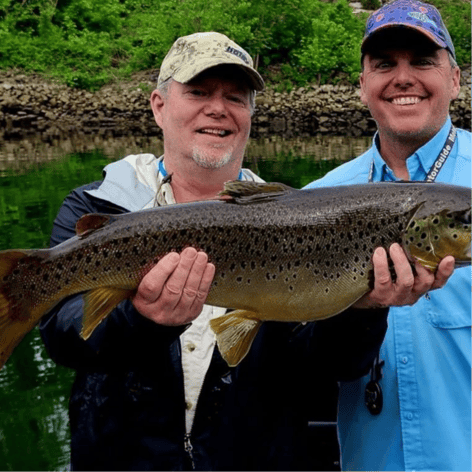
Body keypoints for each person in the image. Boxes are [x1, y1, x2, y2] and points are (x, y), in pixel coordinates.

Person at [40, 32, 453, 472]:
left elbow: (326, 367)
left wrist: (365, 308)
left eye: (236, 97)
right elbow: (65, 339)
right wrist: (141, 321)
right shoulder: (98, 207)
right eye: (198, 92)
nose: (218, 108)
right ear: (159, 105)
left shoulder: (300, 214)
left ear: (251, 115)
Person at [305, 1, 471, 471]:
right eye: (384, 64)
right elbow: (306, 365)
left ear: (455, 80)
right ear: (362, 88)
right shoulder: (313, 200)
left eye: (422, 61)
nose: (403, 77)